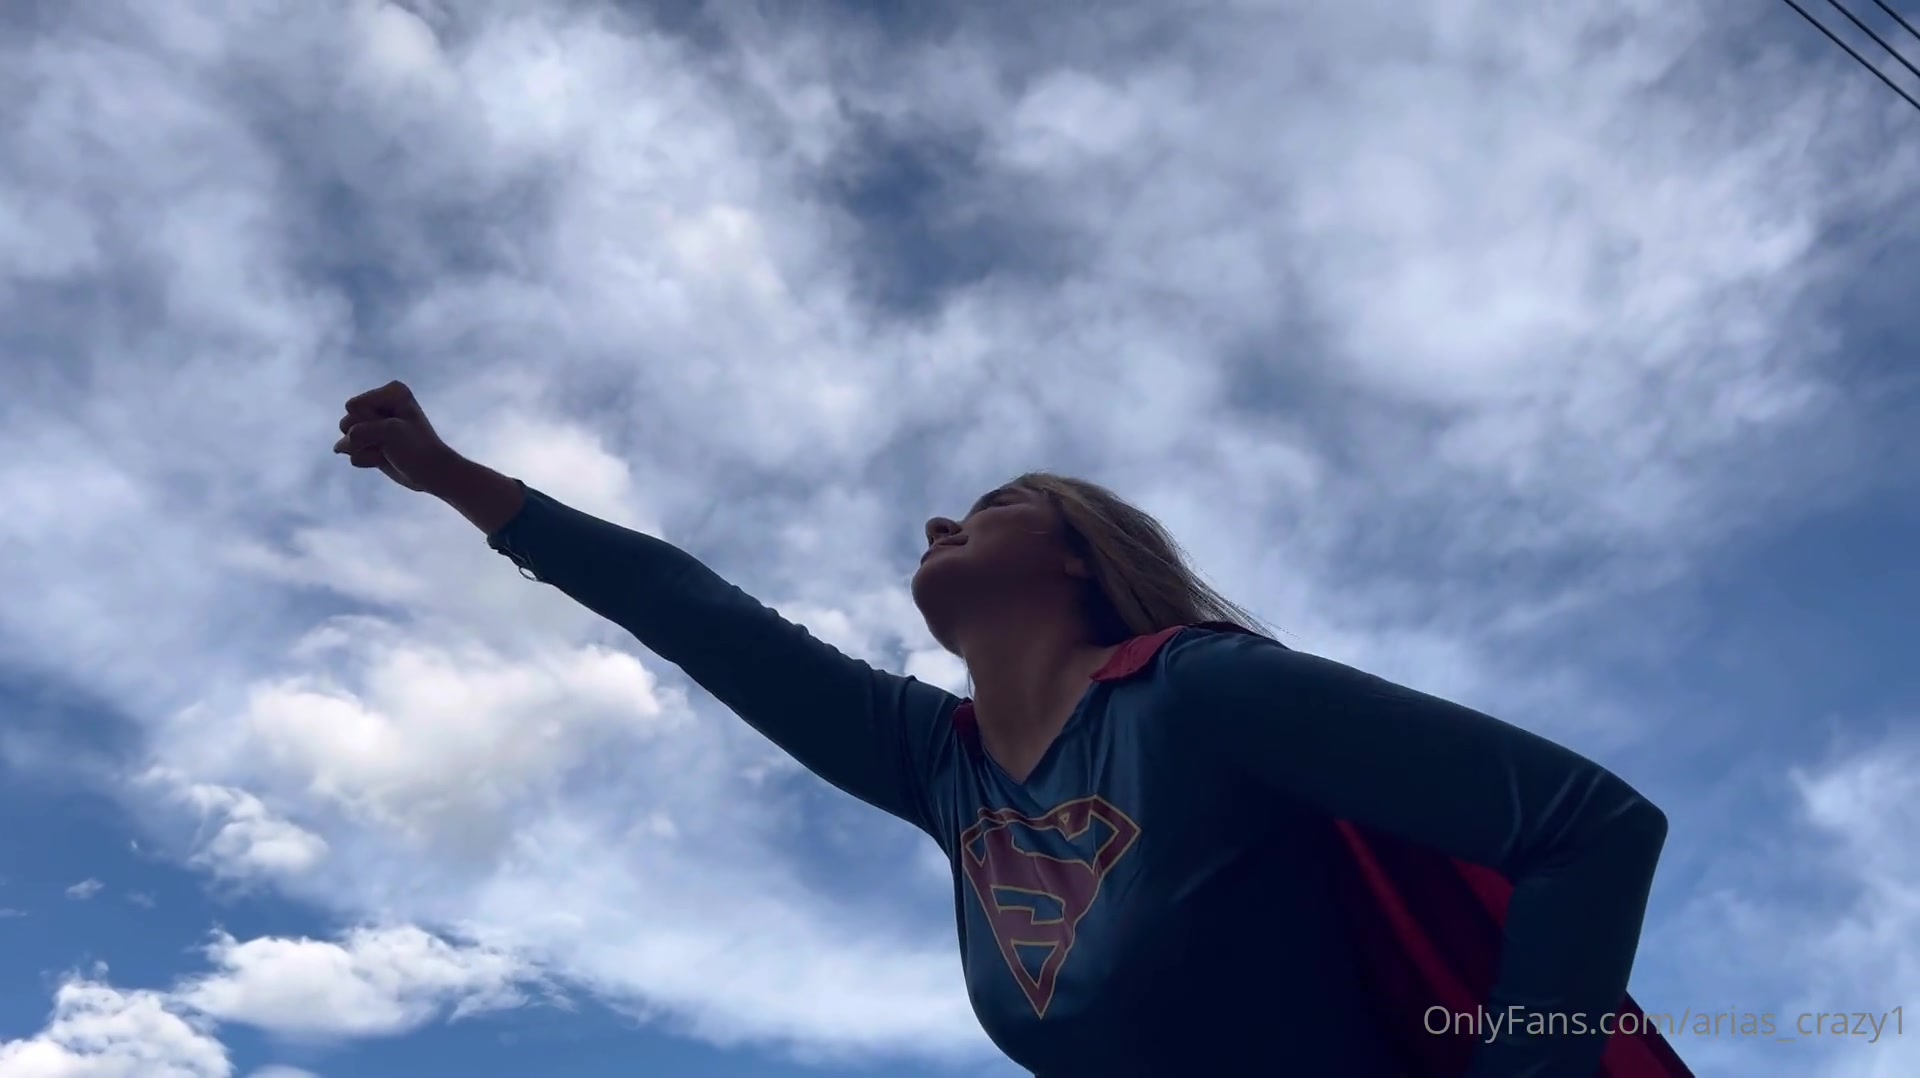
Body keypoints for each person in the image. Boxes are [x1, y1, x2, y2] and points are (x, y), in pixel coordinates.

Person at [334, 380, 1692, 1077]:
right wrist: (447, 473)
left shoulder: (1202, 690)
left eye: (990, 506)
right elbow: (696, 613)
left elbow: (1591, 827)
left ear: (1078, 555)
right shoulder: (942, 767)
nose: (941, 519)